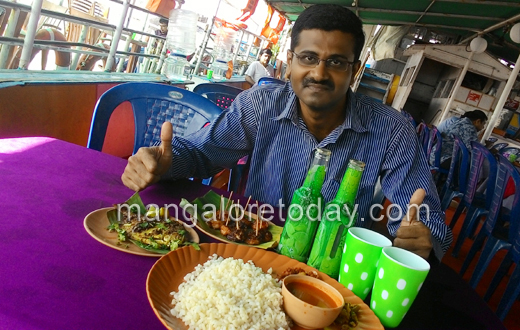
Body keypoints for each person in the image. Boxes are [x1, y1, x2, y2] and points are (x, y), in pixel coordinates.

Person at [122, 4, 452, 261]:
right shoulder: (260, 105)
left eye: (336, 62)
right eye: (308, 58)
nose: (319, 73)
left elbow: (424, 216)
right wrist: (163, 161)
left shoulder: (391, 128)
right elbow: (200, 153)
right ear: (290, 61)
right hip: (250, 246)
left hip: (328, 268)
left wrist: (422, 237)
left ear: (354, 71)